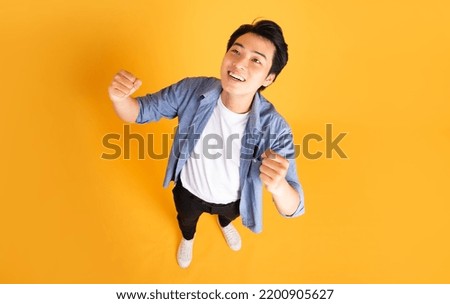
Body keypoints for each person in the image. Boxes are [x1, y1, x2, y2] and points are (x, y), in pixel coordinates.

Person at [107, 20, 305, 268]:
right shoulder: (192, 89)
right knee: (186, 221)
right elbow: (139, 111)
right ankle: (188, 239)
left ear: (269, 78)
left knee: (226, 217)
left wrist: (278, 186)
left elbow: (294, 207)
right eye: (236, 50)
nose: (240, 63)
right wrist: (119, 98)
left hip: (233, 201)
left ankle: (225, 223)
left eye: (256, 60)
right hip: (188, 190)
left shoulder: (276, 129)